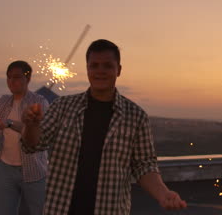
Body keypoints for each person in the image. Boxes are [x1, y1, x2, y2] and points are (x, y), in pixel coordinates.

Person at [22, 39, 187, 215]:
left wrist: (163, 194)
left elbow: (143, 165)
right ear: (87, 69)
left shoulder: (136, 117)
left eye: (107, 66)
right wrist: (31, 126)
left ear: (119, 70)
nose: (100, 71)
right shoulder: (63, 107)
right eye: (94, 65)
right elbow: (33, 145)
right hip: (60, 209)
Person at [0, 60, 49, 215]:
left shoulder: (39, 102)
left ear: (28, 78)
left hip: (34, 169)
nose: (11, 81)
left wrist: (8, 123)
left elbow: (41, 133)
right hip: (6, 169)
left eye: (16, 77)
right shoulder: (4, 101)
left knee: (42, 211)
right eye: (9, 77)